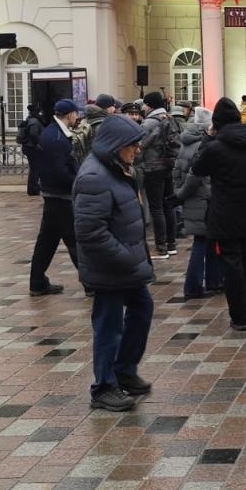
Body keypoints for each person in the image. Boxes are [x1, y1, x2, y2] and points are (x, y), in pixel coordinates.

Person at [73, 114, 156, 412]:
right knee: (108, 326)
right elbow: (91, 232)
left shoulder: (118, 169)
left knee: (142, 309)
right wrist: (126, 258)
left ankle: (124, 371)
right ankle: (104, 386)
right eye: (132, 145)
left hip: (126, 264)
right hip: (109, 267)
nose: (137, 150)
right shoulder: (94, 176)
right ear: (115, 145)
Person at [192, 98, 246, 330]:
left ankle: (239, 315)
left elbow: (197, 167)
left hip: (225, 212)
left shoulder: (216, 146)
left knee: (231, 261)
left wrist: (208, 137)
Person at [29, 98, 81, 296]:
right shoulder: (56, 138)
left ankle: (37, 282)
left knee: (47, 242)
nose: (77, 117)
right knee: (74, 240)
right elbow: (60, 170)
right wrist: (77, 183)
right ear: (69, 115)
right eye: (75, 114)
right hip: (60, 196)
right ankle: (91, 283)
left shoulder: (55, 133)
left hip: (55, 195)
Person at [174, 107, 221, 300]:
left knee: (205, 242)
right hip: (202, 199)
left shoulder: (186, 141)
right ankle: (194, 286)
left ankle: (212, 281)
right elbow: (196, 175)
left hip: (194, 200)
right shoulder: (202, 145)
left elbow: (177, 169)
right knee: (202, 243)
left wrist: (178, 191)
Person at [139, 91, 180, 257]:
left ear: (149, 105)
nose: (142, 107)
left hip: (152, 168)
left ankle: (160, 246)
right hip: (168, 165)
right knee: (168, 205)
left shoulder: (148, 123)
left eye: (144, 104)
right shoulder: (170, 118)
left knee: (156, 208)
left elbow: (140, 146)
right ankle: (172, 244)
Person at [74, 94, 118, 165]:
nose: (114, 109)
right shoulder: (102, 124)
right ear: (107, 108)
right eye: (113, 106)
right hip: (97, 165)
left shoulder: (86, 119)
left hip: (85, 164)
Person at [19, 103, 44, 196]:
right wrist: (38, 144)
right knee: (35, 169)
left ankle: (33, 188)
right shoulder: (34, 121)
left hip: (29, 147)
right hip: (32, 148)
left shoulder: (29, 120)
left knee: (34, 168)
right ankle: (33, 189)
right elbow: (34, 135)